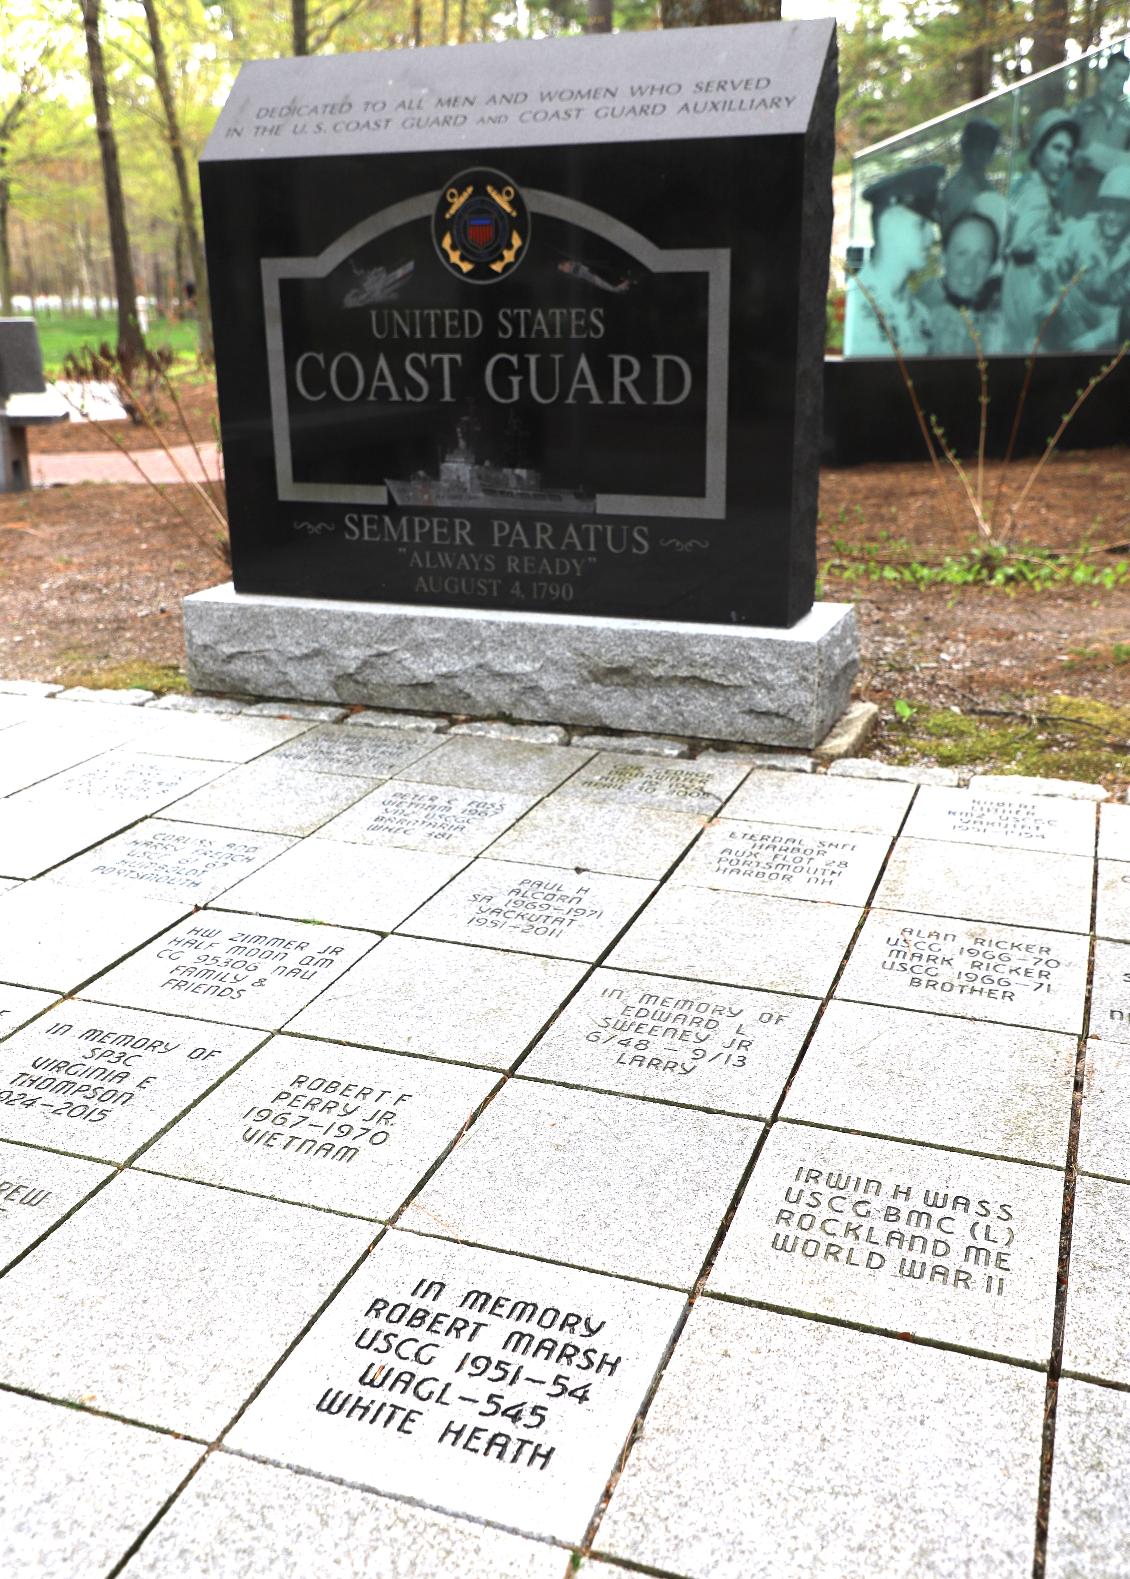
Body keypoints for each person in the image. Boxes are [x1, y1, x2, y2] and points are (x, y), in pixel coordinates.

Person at [844, 164, 944, 356]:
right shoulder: (857, 303)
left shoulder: (920, 314)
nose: (932, 236)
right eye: (921, 224)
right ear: (888, 226)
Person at [1002, 108, 1079, 351]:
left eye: (1067, 152)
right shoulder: (1035, 195)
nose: (1063, 160)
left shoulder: (1036, 190)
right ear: (1038, 149)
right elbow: (1020, 246)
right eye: (1056, 148)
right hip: (1026, 313)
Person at [1048, 166, 1130, 349]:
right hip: (1073, 313)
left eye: (1120, 210)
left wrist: (1094, 339)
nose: (1111, 216)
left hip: (1115, 329)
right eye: (1107, 207)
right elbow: (1052, 270)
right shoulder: (1080, 233)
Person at [919, 192, 1008, 354]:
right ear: (943, 258)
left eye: (981, 256)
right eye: (961, 253)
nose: (970, 268)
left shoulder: (1003, 319)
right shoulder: (917, 315)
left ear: (992, 265)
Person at [1062, 52, 1130, 220]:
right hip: (1081, 194)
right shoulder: (1083, 109)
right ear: (1105, 74)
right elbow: (1066, 148)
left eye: (1124, 78)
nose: (1119, 83)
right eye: (1116, 76)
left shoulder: (1127, 116)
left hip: (1111, 200)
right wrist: (1075, 158)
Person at [938, 118, 1002, 235]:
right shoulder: (958, 189)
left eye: (989, 147)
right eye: (978, 145)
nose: (983, 152)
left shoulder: (985, 185)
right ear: (966, 147)